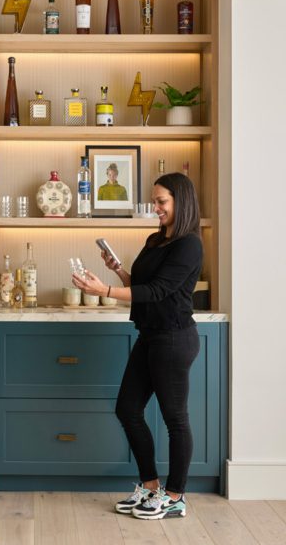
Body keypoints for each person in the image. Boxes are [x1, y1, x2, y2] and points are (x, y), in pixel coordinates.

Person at [72, 173, 202, 520]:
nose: (155, 207)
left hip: (174, 337)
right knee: (128, 410)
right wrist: (119, 273)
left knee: (175, 419)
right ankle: (150, 486)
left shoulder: (189, 244)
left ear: (181, 202)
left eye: (162, 202)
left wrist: (107, 293)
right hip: (150, 334)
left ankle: (175, 496)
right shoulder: (155, 239)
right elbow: (144, 286)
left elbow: (160, 292)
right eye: (155, 200)